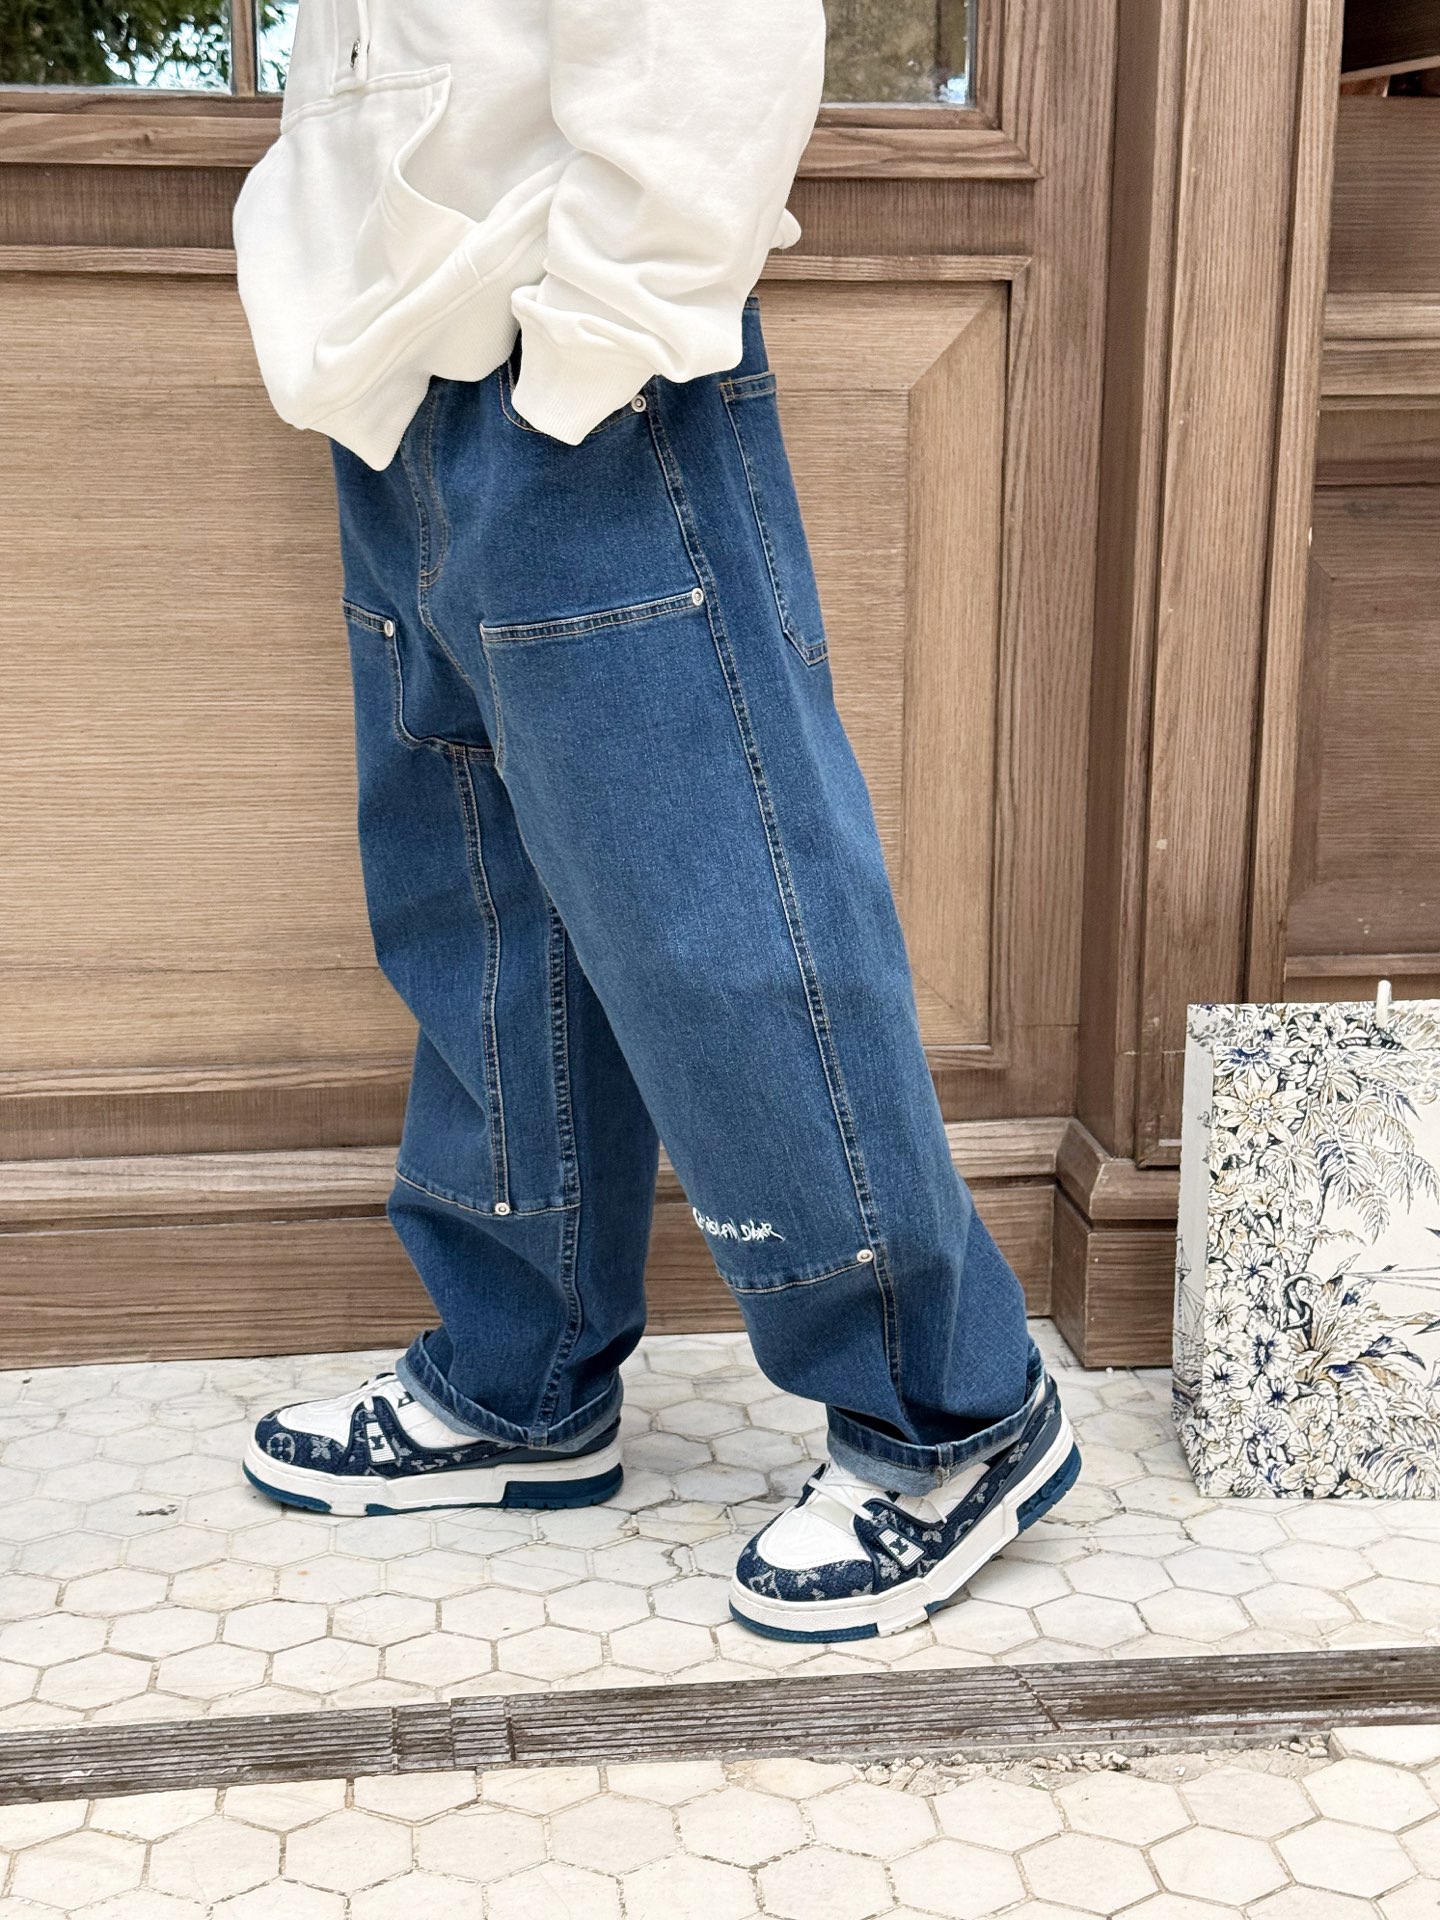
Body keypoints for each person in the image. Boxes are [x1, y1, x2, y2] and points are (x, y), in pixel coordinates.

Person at [231, 0, 1078, 1643]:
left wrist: (588, 353)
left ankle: (948, 1412)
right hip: (394, 373)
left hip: (580, 369)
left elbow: (711, 39)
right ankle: (520, 1374)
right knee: (474, 898)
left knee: (718, 898)